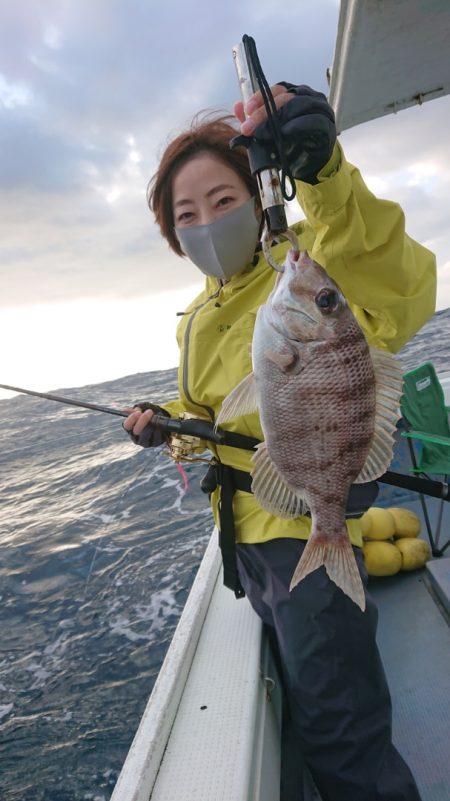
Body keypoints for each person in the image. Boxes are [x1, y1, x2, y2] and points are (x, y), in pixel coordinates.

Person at [123, 82, 436, 801]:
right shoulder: (198, 317)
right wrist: (166, 422)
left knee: (343, 728)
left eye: (224, 200)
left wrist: (323, 172)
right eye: (187, 214)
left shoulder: (307, 273)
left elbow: (398, 284)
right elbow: (215, 413)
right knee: (314, 698)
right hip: (251, 546)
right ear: (174, 235)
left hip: (304, 533)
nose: (206, 222)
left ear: (260, 200)